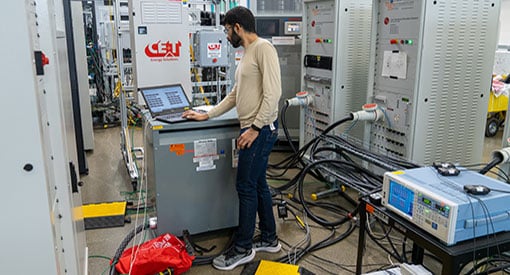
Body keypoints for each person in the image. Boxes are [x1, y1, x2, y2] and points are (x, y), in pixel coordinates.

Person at [182, 6, 282, 271]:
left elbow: (273, 94)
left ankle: (243, 248)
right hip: (252, 129)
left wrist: (255, 128)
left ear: (237, 27)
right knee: (258, 184)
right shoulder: (247, 54)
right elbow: (236, 95)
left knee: (245, 187)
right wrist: (208, 114)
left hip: (259, 131)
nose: (226, 36)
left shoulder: (263, 49)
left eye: (227, 30)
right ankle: (270, 239)